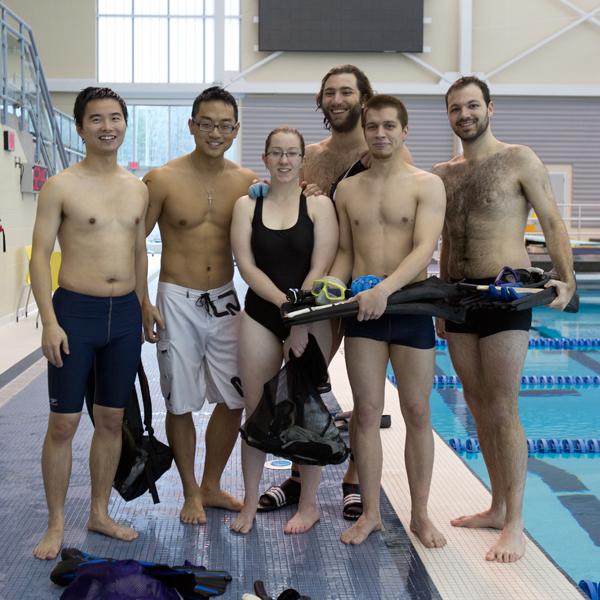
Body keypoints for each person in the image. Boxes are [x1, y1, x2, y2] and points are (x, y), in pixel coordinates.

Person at [258, 64, 412, 521]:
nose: (338, 100)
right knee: (304, 382)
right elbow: (282, 196)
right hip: (320, 290)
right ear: (321, 101)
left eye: (347, 92)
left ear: (365, 98)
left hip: (372, 294)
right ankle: (299, 476)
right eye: (330, 93)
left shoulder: (385, 148)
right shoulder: (313, 157)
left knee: (368, 400)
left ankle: (354, 481)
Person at [432, 76, 576, 562]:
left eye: (473, 105)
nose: (465, 114)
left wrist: (565, 277)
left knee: (503, 406)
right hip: (458, 300)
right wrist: (441, 305)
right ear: (448, 115)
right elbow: (448, 239)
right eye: (456, 108)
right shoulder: (444, 174)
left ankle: (514, 521)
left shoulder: (519, 158)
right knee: (475, 402)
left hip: (506, 294)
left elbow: (552, 220)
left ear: (490, 108)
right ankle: (495, 505)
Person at [30, 87, 148, 560]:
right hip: (75, 313)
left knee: (112, 418)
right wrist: (49, 321)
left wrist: (145, 303)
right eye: (96, 119)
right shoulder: (61, 185)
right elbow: (39, 257)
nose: (107, 127)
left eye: (115, 118)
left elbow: (139, 250)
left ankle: (99, 512)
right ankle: (56, 523)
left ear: (124, 124)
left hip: (123, 316)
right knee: (63, 423)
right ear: (80, 128)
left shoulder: (137, 187)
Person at [330, 94, 447, 547]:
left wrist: (384, 289)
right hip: (364, 311)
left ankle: (420, 514)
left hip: (409, 305)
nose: (380, 133)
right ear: (364, 130)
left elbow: (424, 249)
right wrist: (326, 291)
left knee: (418, 411)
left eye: (389, 126)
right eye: (373, 126)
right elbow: (344, 252)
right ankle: (372, 513)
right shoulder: (348, 189)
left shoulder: (426, 184)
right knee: (365, 413)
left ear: (404, 131)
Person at [142, 87, 257, 525]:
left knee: (236, 398)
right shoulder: (162, 178)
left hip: (226, 298)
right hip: (176, 299)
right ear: (191, 125)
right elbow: (136, 243)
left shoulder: (247, 182)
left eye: (224, 125)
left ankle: (211, 485)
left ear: (235, 130)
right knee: (179, 403)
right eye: (206, 123)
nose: (215, 132)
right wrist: (143, 300)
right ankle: (190, 491)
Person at [230, 127, 338, 535]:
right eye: (276, 152)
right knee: (256, 409)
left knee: (307, 407)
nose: (284, 160)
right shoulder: (246, 205)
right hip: (262, 310)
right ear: (265, 156)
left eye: (292, 153)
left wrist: (298, 318)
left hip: (309, 315)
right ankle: (248, 503)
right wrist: (282, 305)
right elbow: (247, 265)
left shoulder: (319, 206)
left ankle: (308, 506)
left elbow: (320, 267)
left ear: (302, 158)